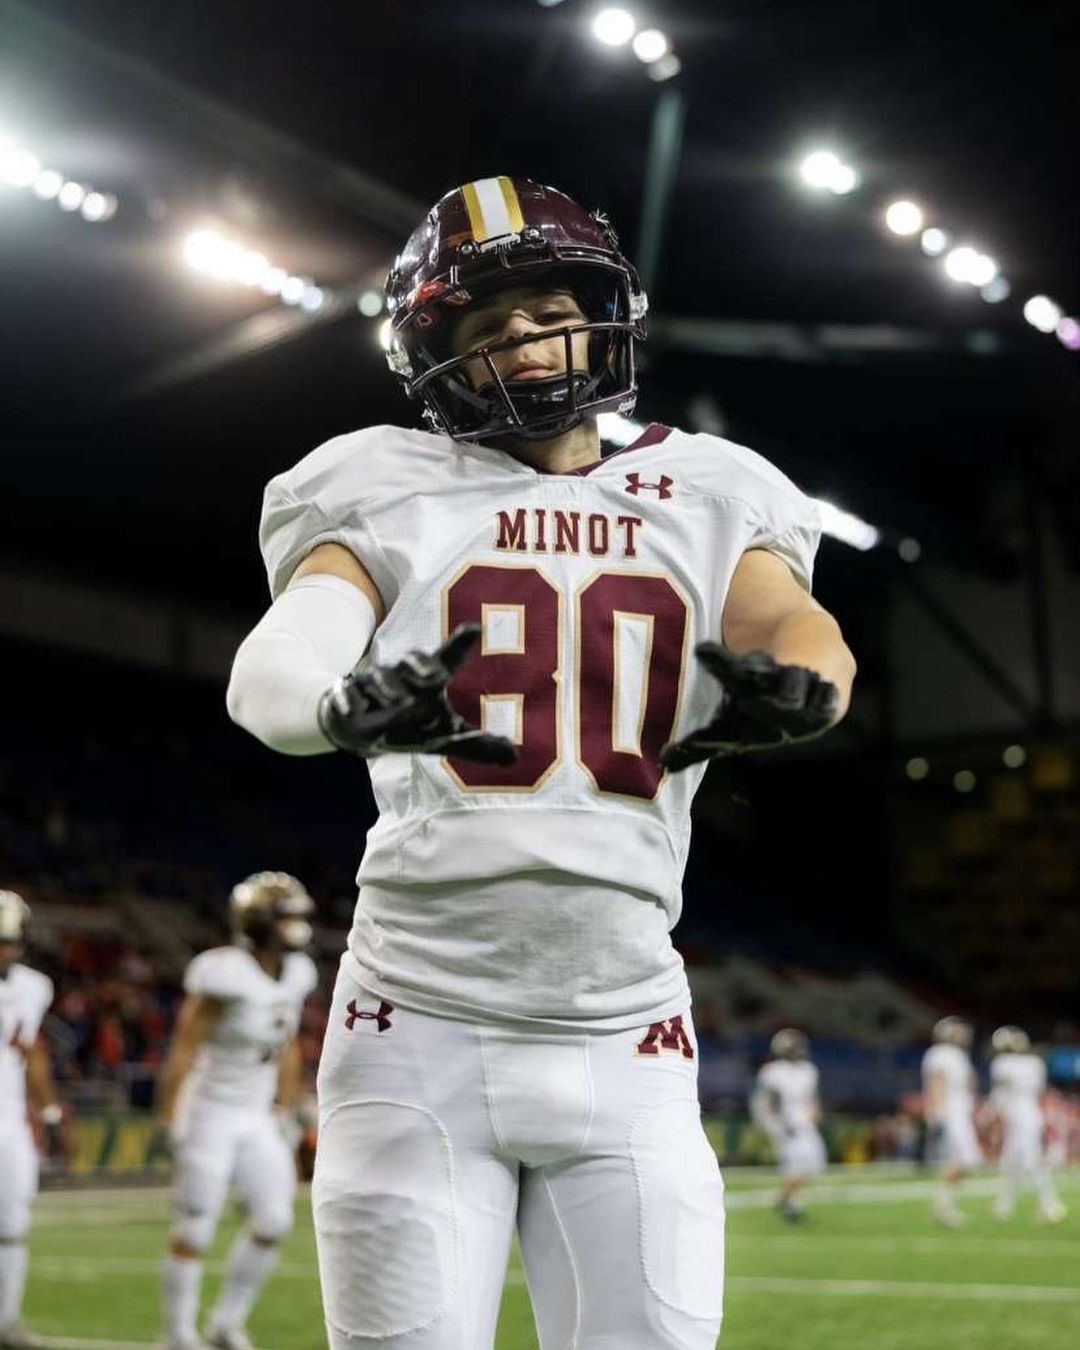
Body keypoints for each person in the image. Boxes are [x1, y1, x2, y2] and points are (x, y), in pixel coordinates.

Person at [227, 175, 856, 1349]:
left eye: (550, 309)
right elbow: (280, 659)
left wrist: (812, 686)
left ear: (605, 316)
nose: (523, 334)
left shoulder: (711, 486)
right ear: (434, 352)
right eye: (486, 320)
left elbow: (792, 624)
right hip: (415, 1022)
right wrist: (334, 703)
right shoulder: (382, 479)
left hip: (631, 1030)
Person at [157, 873, 318, 1350]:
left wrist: (285, 1107)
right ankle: (179, 1334)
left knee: (274, 1220)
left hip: (256, 1114)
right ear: (261, 922)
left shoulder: (298, 972)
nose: (297, 927)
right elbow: (185, 1047)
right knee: (195, 1227)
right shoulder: (223, 972)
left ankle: (226, 1323)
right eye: (286, 918)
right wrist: (169, 1116)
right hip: (209, 1110)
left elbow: (288, 1045)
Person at [0, 891, 63, 1350]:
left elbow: (31, 1050)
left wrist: (48, 1109)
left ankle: (5, 1320)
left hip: (9, 1120)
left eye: (9, 941)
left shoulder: (34, 986)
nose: (4, 950)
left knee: (14, 1222)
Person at [984, 1025, 1065, 1223]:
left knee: (1031, 1161)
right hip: (1031, 1113)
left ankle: (1051, 1204)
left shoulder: (1001, 1064)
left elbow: (999, 1095)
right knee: (1012, 1161)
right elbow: (1038, 1090)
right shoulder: (1034, 1063)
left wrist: (988, 1115)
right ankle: (1005, 1205)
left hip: (1019, 1116)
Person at [751, 1028, 827, 1222]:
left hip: (805, 1124)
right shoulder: (772, 1072)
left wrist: (816, 1115)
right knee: (794, 1166)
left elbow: (811, 1099)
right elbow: (765, 1102)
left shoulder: (808, 1070)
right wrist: (773, 1124)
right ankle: (791, 1205)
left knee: (814, 1165)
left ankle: (784, 1198)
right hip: (785, 1126)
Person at [921, 1014, 981, 1227]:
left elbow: (968, 1083)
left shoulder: (958, 1055)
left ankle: (944, 1206)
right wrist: (937, 1112)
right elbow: (936, 1082)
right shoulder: (940, 1053)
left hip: (960, 1112)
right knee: (963, 1160)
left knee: (965, 1161)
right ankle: (943, 1208)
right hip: (950, 1113)